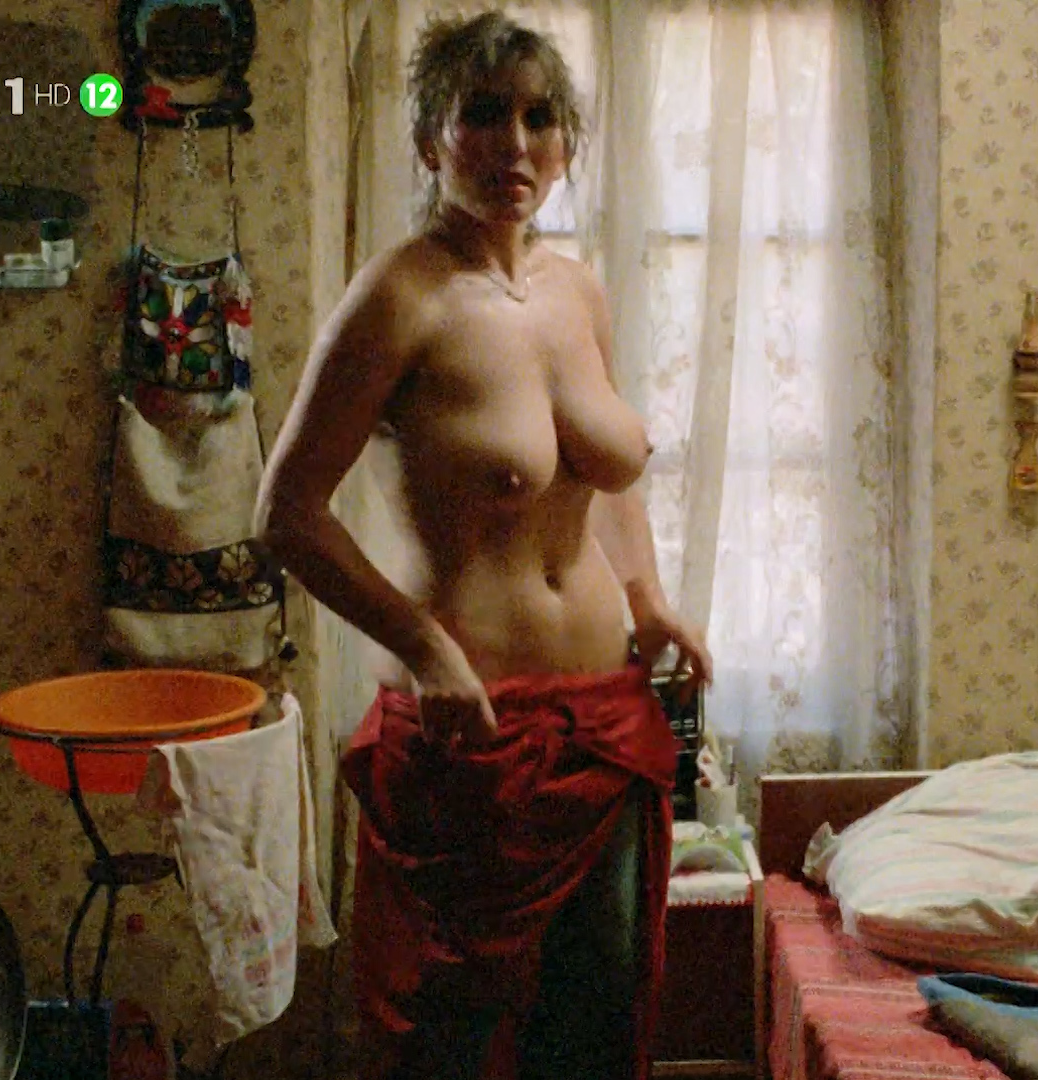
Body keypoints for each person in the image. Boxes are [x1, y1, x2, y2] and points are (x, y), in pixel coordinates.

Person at [253, 13, 712, 1079]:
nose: (516, 144)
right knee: (457, 1046)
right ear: (430, 139)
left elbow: (598, 474)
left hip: (605, 725)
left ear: (567, 145)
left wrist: (647, 599)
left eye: (541, 118)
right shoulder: (399, 295)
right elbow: (287, 511)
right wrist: (425, 650)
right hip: (476, 740)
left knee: (592, 1036)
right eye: (484, 114)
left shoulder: (576, 288)